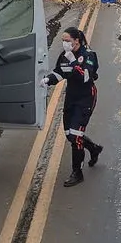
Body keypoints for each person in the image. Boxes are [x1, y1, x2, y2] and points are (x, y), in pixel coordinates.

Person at [41, 27, 103, 187]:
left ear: (77, 40)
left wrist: (74, 62)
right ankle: (94, 148)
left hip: (86, 97)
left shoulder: (88, 55)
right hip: (71, 97)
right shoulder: (64, 56)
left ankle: (77, 172)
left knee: (76, 136)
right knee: (70, 134)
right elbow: (60, 73)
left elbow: (86, 77)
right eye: (63, 40)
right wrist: (48, 80)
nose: (64, 43)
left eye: (67, 40)